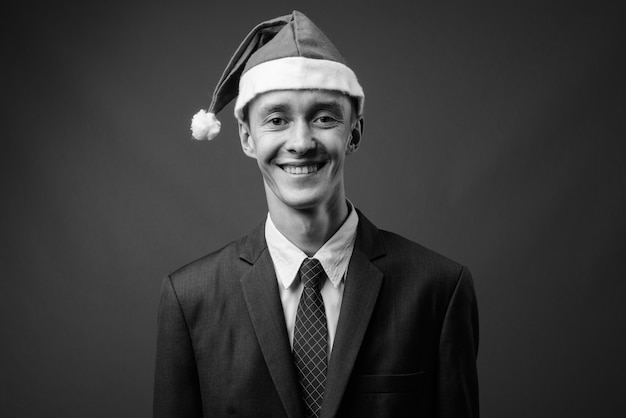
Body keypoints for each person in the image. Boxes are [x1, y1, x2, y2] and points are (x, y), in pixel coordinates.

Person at [154, 10, 478, 418]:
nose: (301, 142)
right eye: (277, 120)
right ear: (246, 137)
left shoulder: (439, 290)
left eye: (324, 118)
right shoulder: (190, 299)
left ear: (354, 132)